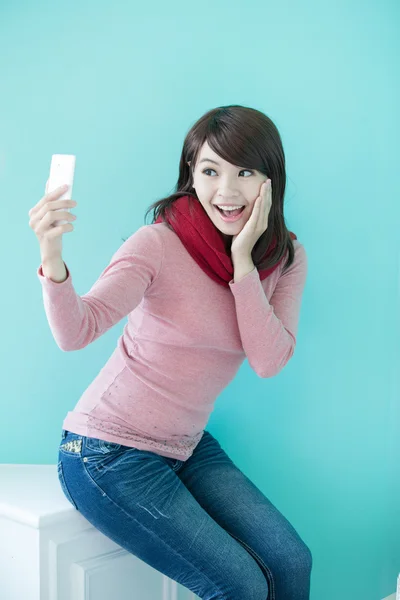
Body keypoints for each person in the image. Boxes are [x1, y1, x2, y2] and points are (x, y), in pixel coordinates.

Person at [29, 105, 312, 599]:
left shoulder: (283, 257)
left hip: (186, 445)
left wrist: (243, 263)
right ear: (191, 176)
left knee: (290, 561)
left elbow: (268, 361)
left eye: (244, 172)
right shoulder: (158, 244)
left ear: (270, 179)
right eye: (210, 171)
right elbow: (77, 330)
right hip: (107, 453)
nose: (226, 191)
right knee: (242, 587)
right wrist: (51, 258)